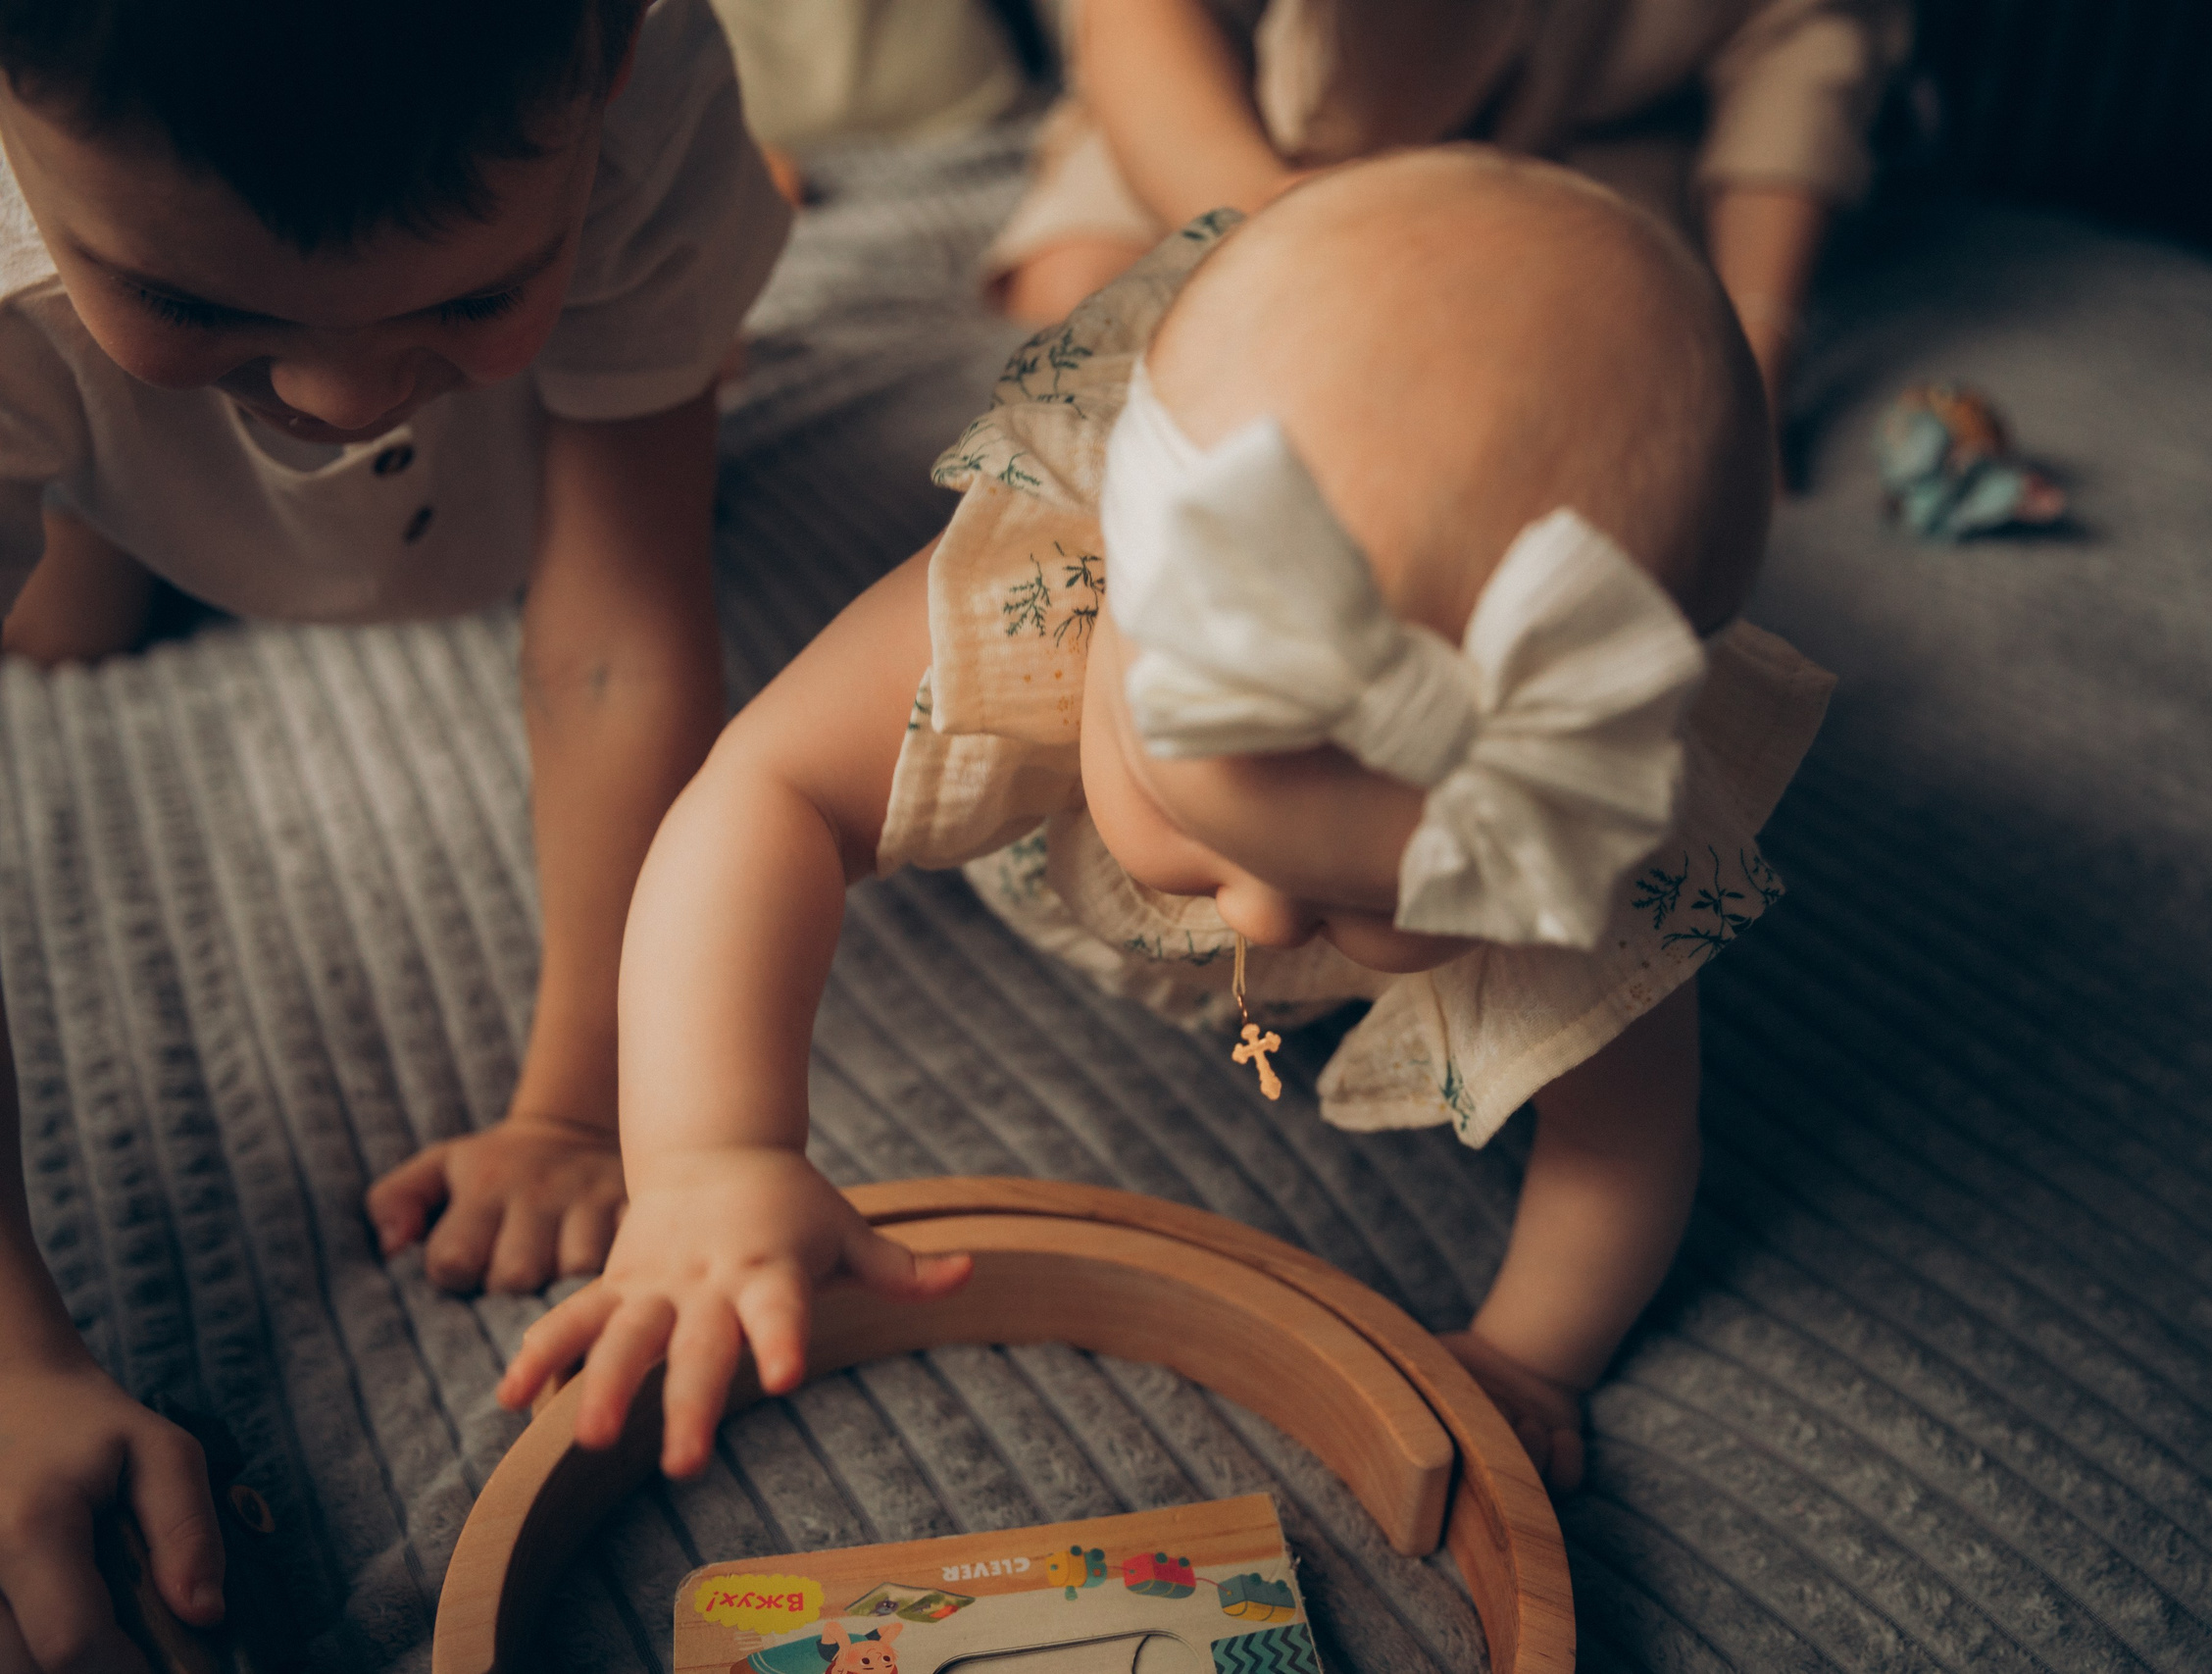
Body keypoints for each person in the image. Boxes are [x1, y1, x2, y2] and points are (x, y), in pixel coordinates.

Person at [500, 149, 1835, 1500]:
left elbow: (1622, 1149)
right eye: (1183, 805)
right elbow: (761, 796)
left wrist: (1530, 1355)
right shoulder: (1061, 583)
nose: (1251, 916)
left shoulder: (1575, 845)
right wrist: (714, 1151)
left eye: (1383, 899)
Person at [0, 1, 788, 1667]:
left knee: (630, 425)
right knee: (61, 627)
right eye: (191, 293)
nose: (336, 389)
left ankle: (606, 302)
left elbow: (614, 635)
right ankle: (101, 487)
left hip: (516, 481)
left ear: (615, 54)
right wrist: (9, 1355)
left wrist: (583, 1100)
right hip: (74, 411)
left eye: (468, 284)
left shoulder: (645, 106)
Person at [987, 0, 1909, 411]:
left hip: (1574, 148)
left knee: (1596, 384)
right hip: (1225, 109)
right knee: (1087, 317)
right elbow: (1140, 20)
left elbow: (1802, 51)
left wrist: (1755, 350)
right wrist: (1266, 213)